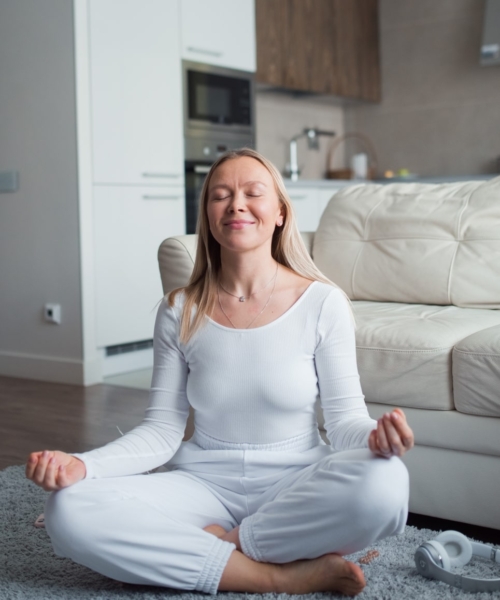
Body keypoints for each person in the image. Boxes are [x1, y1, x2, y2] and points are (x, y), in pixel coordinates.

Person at [26, 148, 414, 597]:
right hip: (202, 483)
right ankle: (279, 575)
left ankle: (226, 547)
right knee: (69, 509)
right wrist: (83, 465)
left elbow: (345, 421)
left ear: (281, 213)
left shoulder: (323, 304)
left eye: (253, 193)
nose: (236, 205)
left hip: (295, 481)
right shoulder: (178, 310)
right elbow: (160, 432)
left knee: (387, 483)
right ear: (208, 215)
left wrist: (374, 439)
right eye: (220, 195)